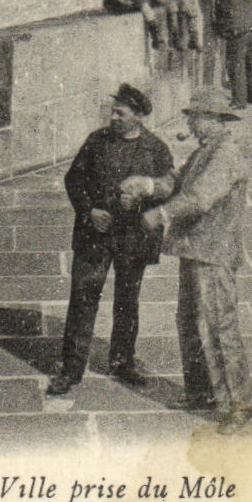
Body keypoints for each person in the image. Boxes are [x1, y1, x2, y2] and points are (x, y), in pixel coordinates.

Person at [135, 91, 252, 434]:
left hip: (214, 254)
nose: (190, 122)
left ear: (214, 120)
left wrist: (161, 214)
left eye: (195, 117)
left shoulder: (225, 155)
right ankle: (200, 392)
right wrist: (148, 185)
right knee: (188, 321)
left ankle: (238, 403)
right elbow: (177, 182)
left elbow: (199, 198)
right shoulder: (206, 151)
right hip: (195, 248)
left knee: (220, 327)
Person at [46, 83, 175, 397]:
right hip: (96, 236)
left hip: (133, 239)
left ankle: (122, 363)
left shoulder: (156, 149)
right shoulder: (96, 141)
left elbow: (168, 189)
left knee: (127, 303)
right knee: (83, 299)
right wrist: (89, 210)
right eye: (113, 112)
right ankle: (71, 369)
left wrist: (142, 202)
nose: (114, 118)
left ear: (139, 116)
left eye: (121, 113)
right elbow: (74, 178)